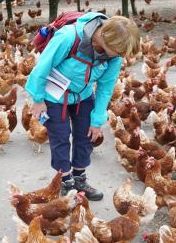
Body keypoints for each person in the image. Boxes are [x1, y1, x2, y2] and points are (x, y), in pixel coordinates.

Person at [25, 13, 140, 201]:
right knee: (60, 137)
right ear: (104, 38)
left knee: (86, 135)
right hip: (54, 96)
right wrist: (38, 99)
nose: (120, 57)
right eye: (118, 52)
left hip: (83, 95)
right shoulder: (69, 37)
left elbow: (105, 88)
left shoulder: (113, 58)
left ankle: (79, 178)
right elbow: (42, 68)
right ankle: (65, 181)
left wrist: (97, 120)